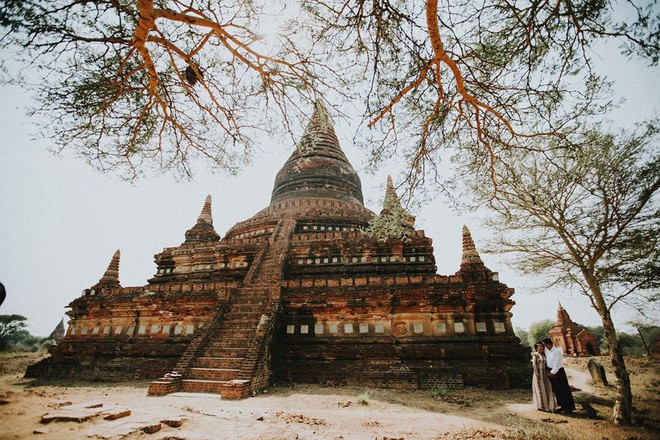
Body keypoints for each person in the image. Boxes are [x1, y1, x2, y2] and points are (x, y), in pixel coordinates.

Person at [543, 337, 575, 413]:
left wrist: (553, 372)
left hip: (558, 371)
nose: (545, 346)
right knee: (556, 390)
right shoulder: (546, 351)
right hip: (550, 372)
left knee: (564, 389)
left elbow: (557, 363)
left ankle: (569, 407)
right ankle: (562, 405)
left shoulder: (557, 351)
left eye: (545, 345)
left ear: (549, 344)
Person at [532, 342, 557, 412]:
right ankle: (541, 406)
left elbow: (546, 365)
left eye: (542, 346)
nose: (541, 347)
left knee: (547, 387)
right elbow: (534, 365)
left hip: (544, 373)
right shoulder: (535, 355)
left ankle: (549, 405)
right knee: (540, 388)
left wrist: (548, 372)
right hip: (538, 373)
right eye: (539, 346)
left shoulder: (543, 355)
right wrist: (537, 374)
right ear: (536, 348)